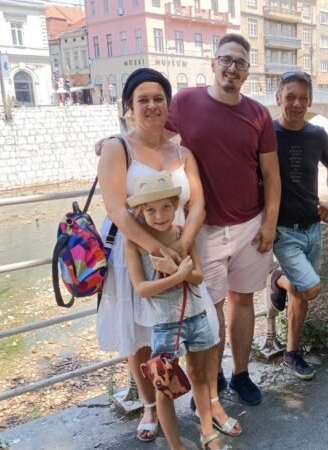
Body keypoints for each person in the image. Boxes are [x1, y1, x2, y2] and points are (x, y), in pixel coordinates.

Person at [96, 68, 232, 442]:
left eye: (158, 98)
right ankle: (151, 406)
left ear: (168, 104)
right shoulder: (117, 148)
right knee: (141, 333)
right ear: (129, 106)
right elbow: (116, 209)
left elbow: (198, 203)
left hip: (181, 245)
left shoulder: (182, 152)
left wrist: (181, 247)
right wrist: (160, 251)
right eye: (143, 99)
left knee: (193, 324)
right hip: (135, 250)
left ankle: (204, 404)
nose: (152, 105)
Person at [165, 33, 281, 406]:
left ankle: (241, 374)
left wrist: (269, 224)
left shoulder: (258, 114)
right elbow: (153, 140)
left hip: (250, 225)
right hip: (202, 228)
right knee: (209, 307)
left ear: (247, 71)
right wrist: (116, 144)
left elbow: (272, 175)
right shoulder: (185, 102)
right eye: (226, 60)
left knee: (243, 301)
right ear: (213, 63)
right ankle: (212, 380)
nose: (232, 68)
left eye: (240, 62)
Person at [123, 172, 231, 450]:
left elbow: (198, 275)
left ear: (175, 206)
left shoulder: (183, 234)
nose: (159, 215)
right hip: (165, 325)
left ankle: (208, 433)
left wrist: (180, 272)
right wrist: (177, 275)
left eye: (166, 207)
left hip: (197, 316)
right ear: (141, 211)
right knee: (165, 387)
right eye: (150, 210)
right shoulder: (134, 243)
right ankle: (176, 445)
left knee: (201, 377)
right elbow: (142, 288)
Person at [267, 71, 328, 380]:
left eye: (302, 98)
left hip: (312, 227)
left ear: (310, 101)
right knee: (310, 287)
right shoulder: (266, 134)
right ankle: (277, 280)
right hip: (283, 231)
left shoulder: (317, 135)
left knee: (301, 292)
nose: (296, 104)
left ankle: (291, 353)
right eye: (290, 97)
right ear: (278, 99)